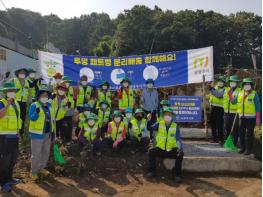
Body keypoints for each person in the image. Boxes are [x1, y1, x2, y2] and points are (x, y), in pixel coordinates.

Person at [147, 107, 184, 183]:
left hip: (171, 150)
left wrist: (180, 148)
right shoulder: (159, 124)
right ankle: (152, 171)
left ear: (172, 116)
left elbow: (178, 139)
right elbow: (149, 128)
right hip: (161, 149)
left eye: (169, 114)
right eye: (166, 114)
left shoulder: (175, 126)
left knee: (180, 154)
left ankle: (176, 174)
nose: (167, 116)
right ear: (163, 116)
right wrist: (149, 120)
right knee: (151, 151)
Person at [0, 82, 22, 192]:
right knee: (5, 160)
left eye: (13, 91)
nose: (12, 93)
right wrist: (7, 104)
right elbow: (0, 116)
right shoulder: (2, 103)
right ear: (5, 92)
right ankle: (3, 182)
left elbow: (17, 119)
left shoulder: (16, 103)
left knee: (13, 158)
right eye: (10, 91)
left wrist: (18, 132)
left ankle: (9, 178)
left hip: (14, 135)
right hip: (4, 137)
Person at [28, 87, 54, 180]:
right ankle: (34, 172)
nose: (45, 97)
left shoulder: (49, 106)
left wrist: (53, 131)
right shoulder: (34, 105)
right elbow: (32, 118)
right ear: (38, 97)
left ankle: (42, 168)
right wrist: (36, 113)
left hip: (47, 133)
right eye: (43, 95)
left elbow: (52, 119)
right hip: (37, 134)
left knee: (46, 152)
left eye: (46, 96)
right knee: (36, 153)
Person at [232, 78, 261, 155]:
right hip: (241, 117)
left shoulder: (254, 94)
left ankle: (248, 150)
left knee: (249, 134)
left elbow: (258, 107)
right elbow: (233, 102)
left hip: (251, 118)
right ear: (243, 85)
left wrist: (258, 119)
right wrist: (230, 94)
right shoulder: (239, 93)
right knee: (241, 133)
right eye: (245, 84)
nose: (247, 85)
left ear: (251, 85)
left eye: (249, 84)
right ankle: (242, 148)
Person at [223, 75, 241, 145]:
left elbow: (235, 101)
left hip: (235, 113)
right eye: (231, 82)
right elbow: (219, 95)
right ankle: (227, 142)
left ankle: (235, 143)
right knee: (227, 128)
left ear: (236, 83)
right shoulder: (226, 90)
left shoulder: (239, 91)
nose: (232, 83)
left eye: (234, 82)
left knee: (235, 129)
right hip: (226, 113)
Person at [209, 75, 227, 144]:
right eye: (219, 81)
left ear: (224, 83)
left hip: (220, 108)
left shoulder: (225, 89)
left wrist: (211, 89)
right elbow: (212, 96)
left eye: (222, 81)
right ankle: (214, 138)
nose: (220, 82)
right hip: (213, 107)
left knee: (219, 124)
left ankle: (220, 139)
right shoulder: (215, 87)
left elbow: (219, 95)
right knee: (212, 124)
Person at [13, 68, 29, 136]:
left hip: (24, 103)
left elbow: (29, 93)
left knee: (23, 118)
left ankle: (21, 133)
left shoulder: (26, 82)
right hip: (15, 102)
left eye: (24, 73)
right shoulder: (13, 80)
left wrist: (29, 102)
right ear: (18, 74)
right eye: (21, 73)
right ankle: (15, 132)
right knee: (15, 117)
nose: (22, 74)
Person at [62, 76, 75, 144]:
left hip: (70, 110)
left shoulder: (71, 88)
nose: (68, 83)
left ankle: (68, 139)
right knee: (63, 125)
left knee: (70, 125)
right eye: (66, 82)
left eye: (69, 82)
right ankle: (62, 139)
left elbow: (72, 98)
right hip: (63, 110)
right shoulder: (60, 89)